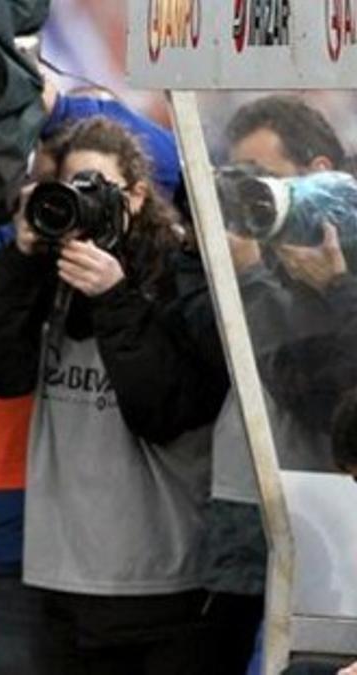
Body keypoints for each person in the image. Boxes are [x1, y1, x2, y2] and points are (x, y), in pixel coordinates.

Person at [0, 116, 226, 674]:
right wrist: (20, 258)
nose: (82, 203)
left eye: (98, 188)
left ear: (136, 195)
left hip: (163, 577)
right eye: (71, 188)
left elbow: (162, 411)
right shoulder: (45, 271)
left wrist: (114, 296)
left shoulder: (177, 270)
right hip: (60, 573)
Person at [193, 94, 353, 675]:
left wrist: (322, 287)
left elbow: (322, 390)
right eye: (241, 181)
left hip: (326, 514)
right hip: (241, 498)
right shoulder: (248, 248)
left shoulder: (337, 260)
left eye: (265, 180)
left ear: (319, 175)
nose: (252, 201)